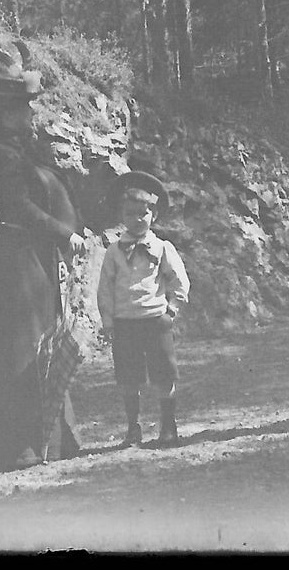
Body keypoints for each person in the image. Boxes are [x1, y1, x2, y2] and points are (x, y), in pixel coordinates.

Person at [0, 53, 90, 471]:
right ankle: (17, 445)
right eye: (22, 108)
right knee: (20, 349)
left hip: (33, 259)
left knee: (45, 344)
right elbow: (20, 207)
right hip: (15, 263)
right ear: (3, 115)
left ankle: (51, 439)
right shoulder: (0, 156)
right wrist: (64, 233)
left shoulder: (24, 152)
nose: (29, 114)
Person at [97, 170, 190, 448]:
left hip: (155, 321)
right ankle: (133, 427)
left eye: (144, 213)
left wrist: (171, 311)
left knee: (164, 373)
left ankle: (168, 426)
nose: (138, 219)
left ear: (154, 216)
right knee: (129, 376)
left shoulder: (161, 248)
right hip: (126, 322)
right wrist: (109, 320)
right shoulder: (114, 251)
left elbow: (179, 281)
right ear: (121, 216)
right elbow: (105, 288)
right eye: (130, 214)